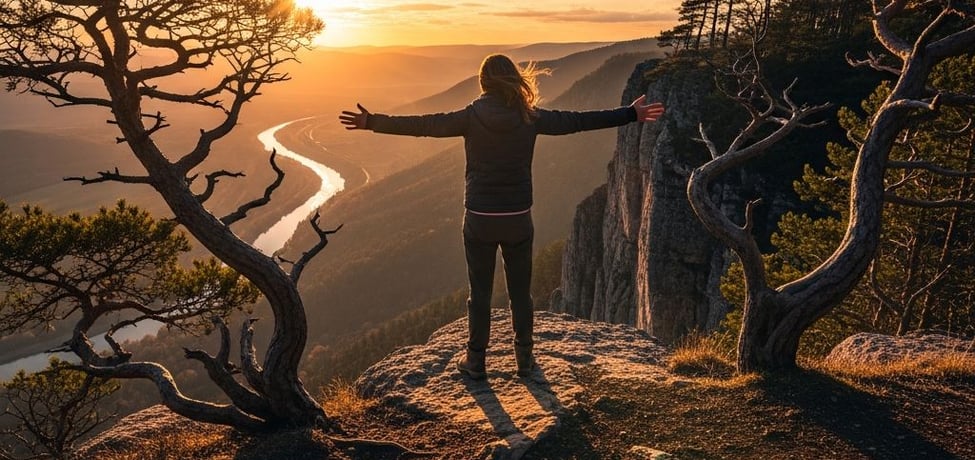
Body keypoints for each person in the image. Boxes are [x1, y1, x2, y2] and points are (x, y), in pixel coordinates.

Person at [340, 54, 664, 380]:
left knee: (479, 292)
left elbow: (423, 125)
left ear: (483, 83)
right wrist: (630, 114)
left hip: (479, 218)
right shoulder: (530, 117)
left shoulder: (469, 117)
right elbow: (577, 121)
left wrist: (373, 122)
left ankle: (475, 361)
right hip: (517, 217)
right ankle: (525, 360)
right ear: (512, 80)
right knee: (520, 293)